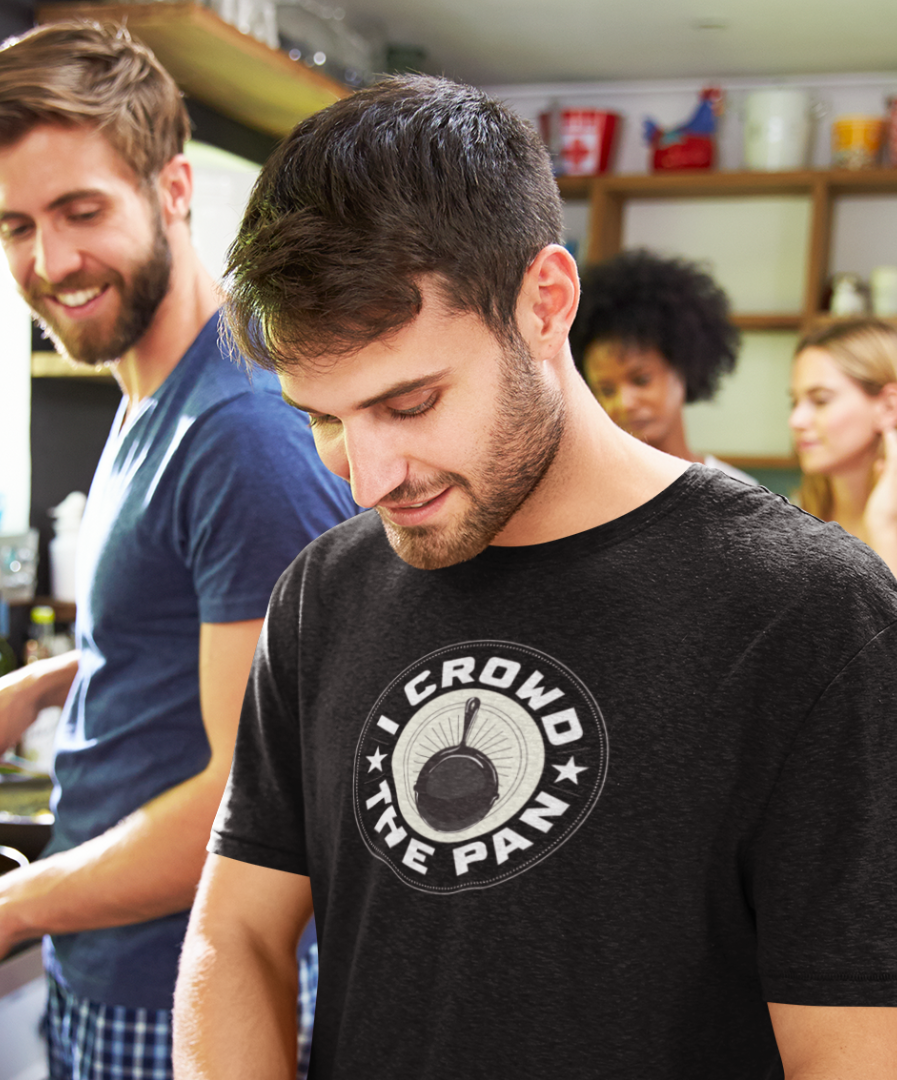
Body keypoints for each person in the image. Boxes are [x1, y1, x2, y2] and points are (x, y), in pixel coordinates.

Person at [170, 75, 897, 1079]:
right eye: (324, 419)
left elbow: (854, 1054)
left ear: (545, 303)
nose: (368, 479)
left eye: (411, 401)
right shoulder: (320, 596)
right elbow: (235, 936)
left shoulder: (810, 610)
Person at [0, 21, 353, 1080]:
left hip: (184, 986)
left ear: (173, 189)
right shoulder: (155, 394)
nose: (51, 263)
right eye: (16, 225)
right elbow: (202, 638)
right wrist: (48, 684)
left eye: (83, 211)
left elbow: (257, 800)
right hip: (120, 959)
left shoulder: (241, 434)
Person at [569, 247, 755, 482]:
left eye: (641, 380)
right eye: (606, 390)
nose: (624, 403)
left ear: (684, 366)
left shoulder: (738, 493)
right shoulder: (591, 493)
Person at [790, 317, 897, 575]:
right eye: (793, 402)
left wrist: (883, 527)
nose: (795, 420)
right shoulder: (796, 512)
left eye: (821, 400)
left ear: (888, 407)